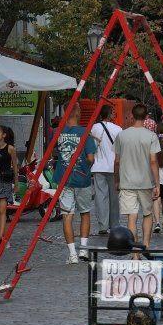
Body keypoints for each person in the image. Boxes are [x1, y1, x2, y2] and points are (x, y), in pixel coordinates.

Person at [114, 103, 161, 248]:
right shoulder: (151, 136)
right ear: (146, 117)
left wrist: (117, 180)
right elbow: (153, 161)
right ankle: (145, 244)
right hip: (145, 181)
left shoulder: (122, 135)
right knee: (147, 215)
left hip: (127, 181)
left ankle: (135, 251)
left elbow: (116, 161)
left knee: (131, 218)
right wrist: (157, 184)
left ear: (132, 116)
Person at [52, 108, 96, 263]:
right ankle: (83, 250)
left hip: (64, 179)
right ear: (78, 113)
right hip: (82, 178)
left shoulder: (58, 132)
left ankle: (72, 254)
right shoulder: (85, 133)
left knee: (67, 216)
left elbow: (54, 151)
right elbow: (90, 158)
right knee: (85, 213)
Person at [90, 113, 122, 234]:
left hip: (98, 165)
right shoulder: (118, 129)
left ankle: (103, 225)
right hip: (113, 166)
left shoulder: (94, 127)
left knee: (100, 197)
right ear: (110, 115)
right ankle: (114, 224)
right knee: (114, 198)